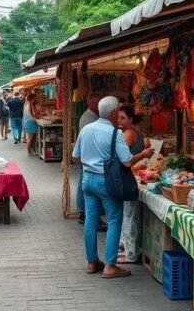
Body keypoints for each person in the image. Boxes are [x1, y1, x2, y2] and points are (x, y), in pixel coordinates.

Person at [72, 96, 153, 279]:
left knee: (91, 220)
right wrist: (143, 154)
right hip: (106, 181)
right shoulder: (114, 133)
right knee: (114, 219)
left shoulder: (86, 129)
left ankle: (92, 261)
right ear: (114, 112)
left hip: (87, 180)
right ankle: (110, 265)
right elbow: (126, 162)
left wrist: (89, 166)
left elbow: (76, 156)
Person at [117, 105, 146, 264]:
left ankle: (129, 251)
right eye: (118, 118)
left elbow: (124, 158)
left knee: (129, 215)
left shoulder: (128, 133)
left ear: (131, 119)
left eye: (123, 118)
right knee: (129, 214)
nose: (119, 121)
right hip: (134, 174)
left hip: (129, 176)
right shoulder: (136, 131)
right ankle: (128, 248)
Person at [76, 94, 102, 225]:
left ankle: (85, 213)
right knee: (83, 184)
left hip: (86, 157)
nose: (99, 106)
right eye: (98, 103)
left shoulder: (91, 117)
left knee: (83, 183)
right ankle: (83, 212)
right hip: (88, 158)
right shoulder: (88, 118)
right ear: (91, 103)